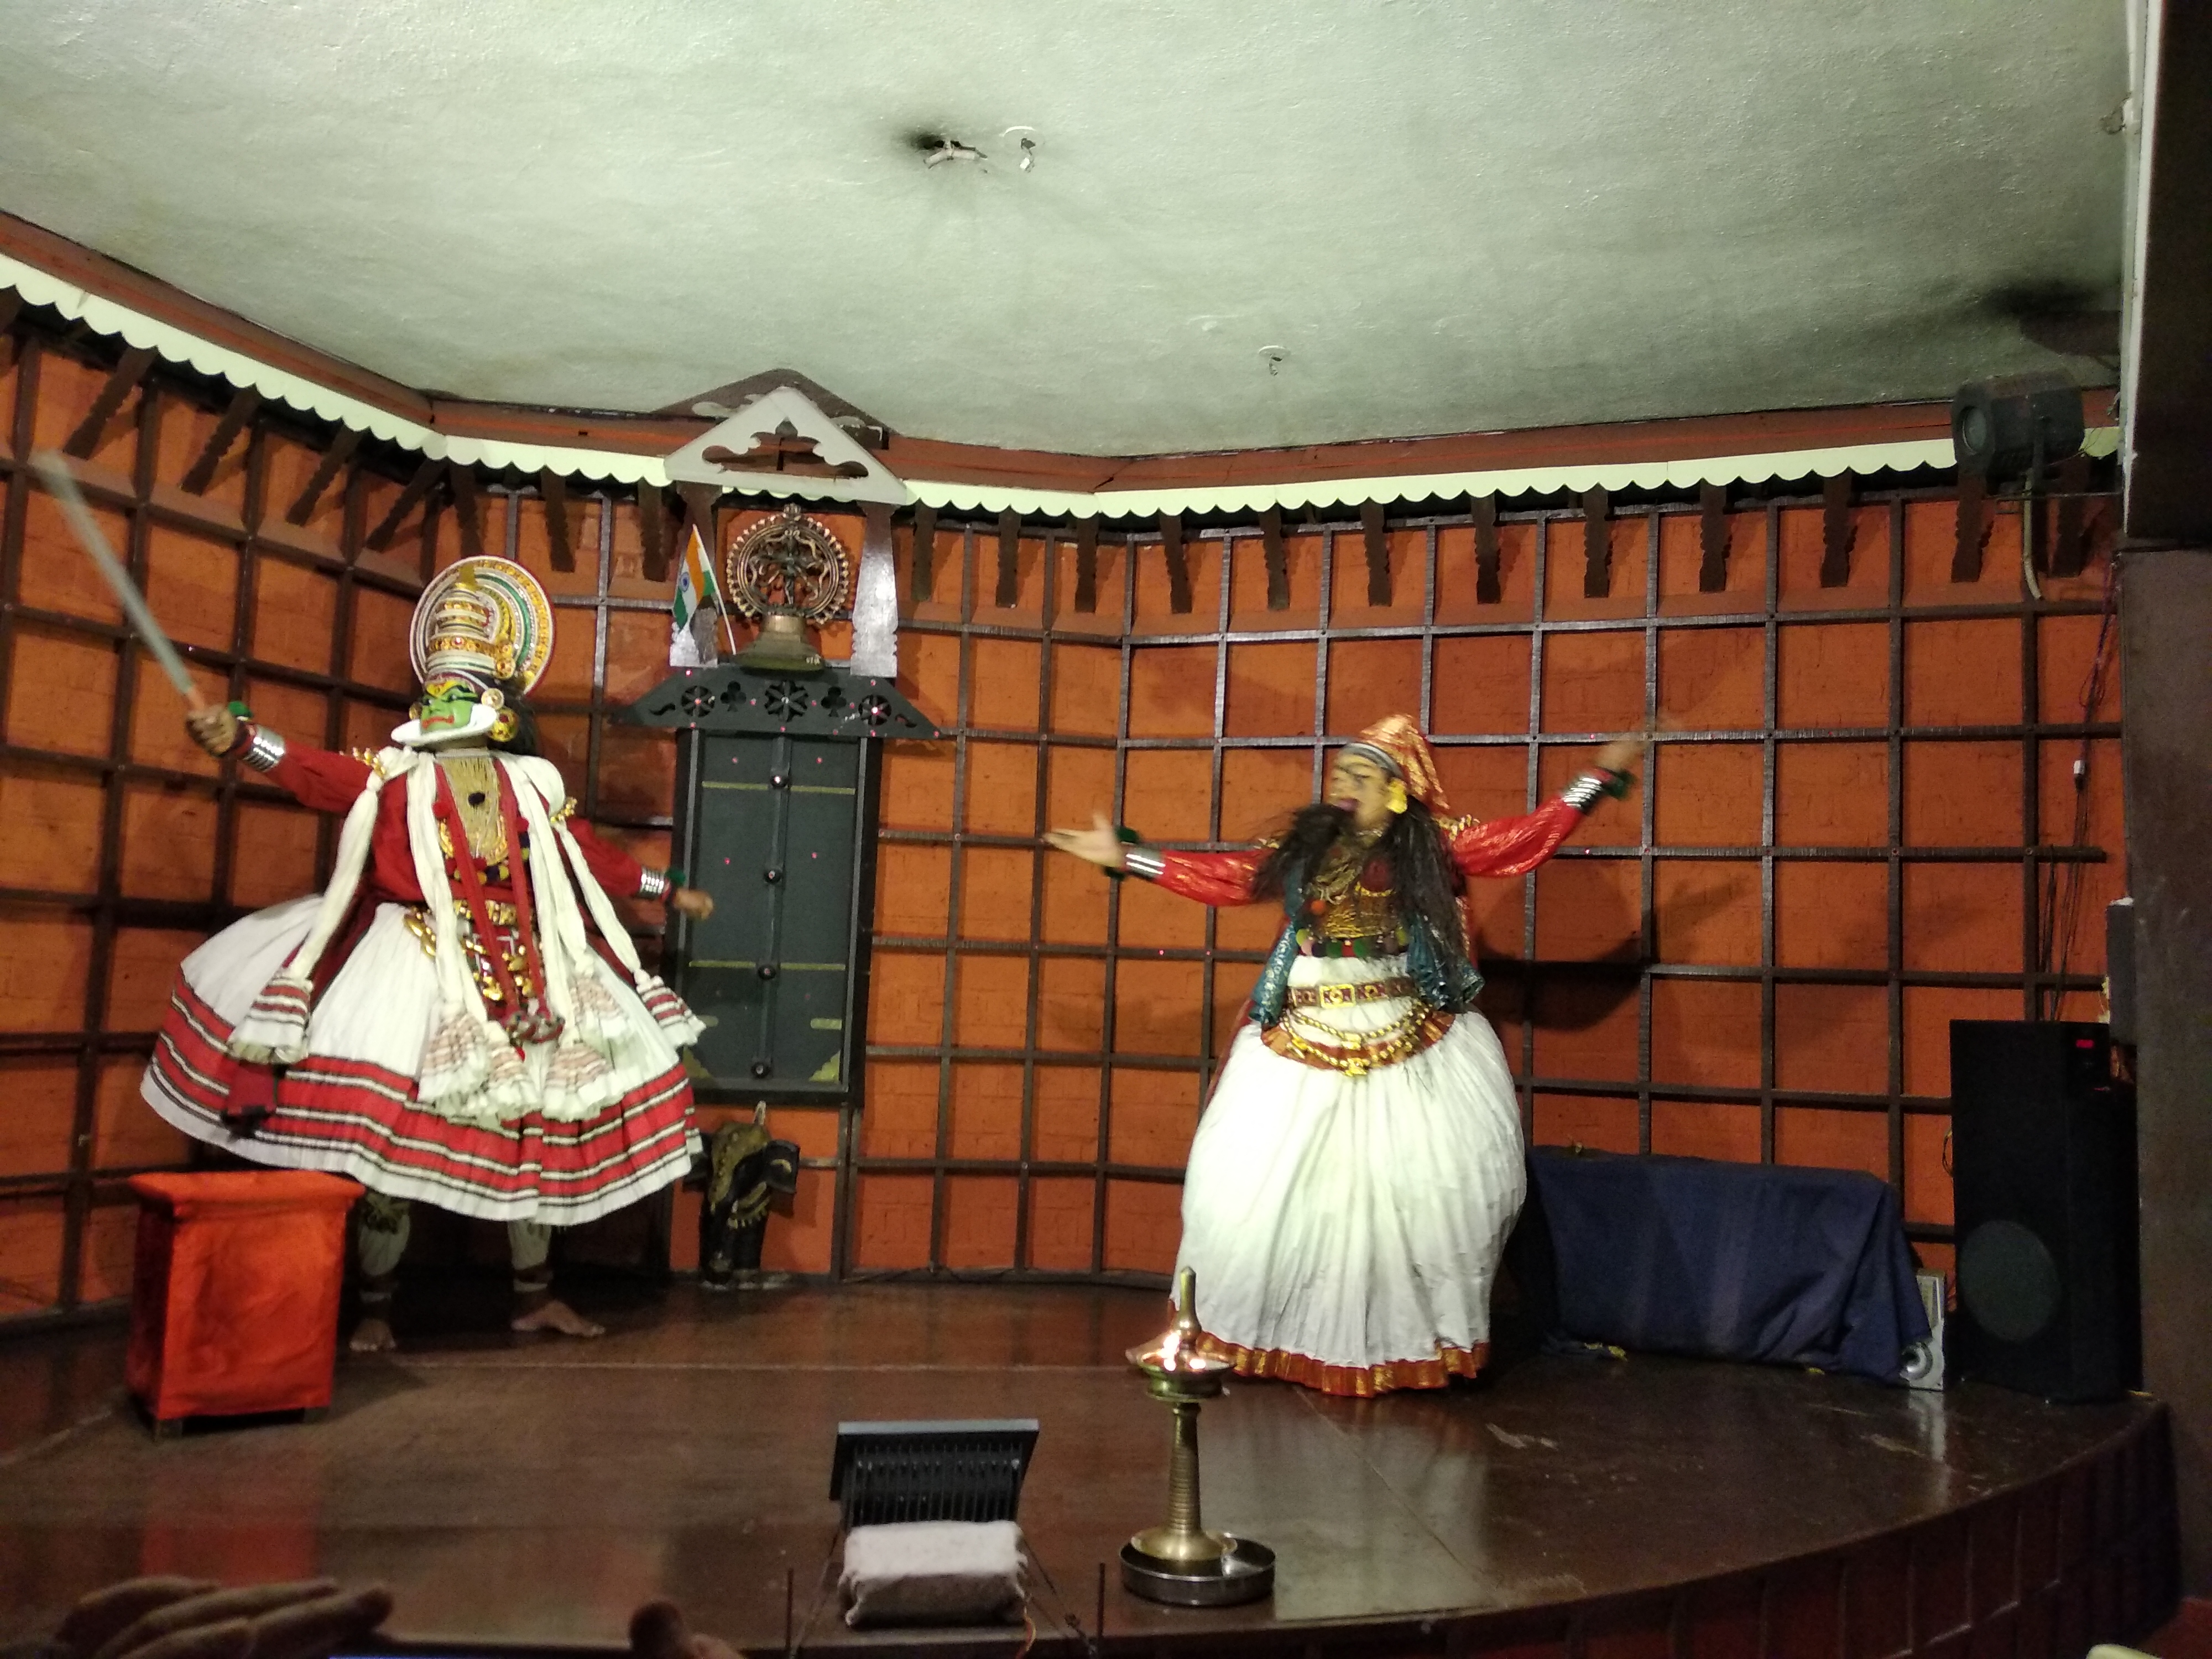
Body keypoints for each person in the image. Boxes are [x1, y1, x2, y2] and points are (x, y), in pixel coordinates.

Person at [140, 557, 716, 1350]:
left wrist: (662, 887)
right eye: (434, 691)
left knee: (536, 1131)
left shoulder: (533, 785)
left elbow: (585, 856)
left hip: (528, 972)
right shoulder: (392, 777)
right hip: (413, 967)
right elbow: (315, 773)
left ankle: (534, 1296)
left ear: (496, 706)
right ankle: (376, 1308)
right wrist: (244, 740)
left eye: (459, 691)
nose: (441, 703)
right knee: (388, 1143)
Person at [1046, 714, 1645, 1397]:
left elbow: (1523, 841)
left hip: (1407, 1035)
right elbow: (1233, 878)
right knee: (1236, 1185)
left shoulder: (1433, 844)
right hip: (1302, 1030)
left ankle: (1403, 1344)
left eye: (1361, 774)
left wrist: (1596, 779)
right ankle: (1250, 1331)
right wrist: (1132, 858)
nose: (1343, 784)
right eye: (1339, 772)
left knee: (1430, 1194)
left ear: (1397, 789)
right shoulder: (1304, 846)